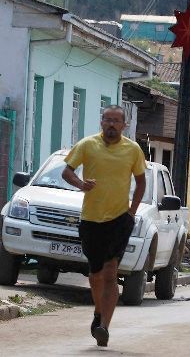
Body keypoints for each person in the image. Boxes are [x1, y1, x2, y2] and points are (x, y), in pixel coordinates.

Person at [62, 105, 147, 347]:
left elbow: (141, 182)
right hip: (91, 219)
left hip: (119, 219)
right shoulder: (87, 145)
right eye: (107, 120)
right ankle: (98, 312)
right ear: (101, 122)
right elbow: (66, 171)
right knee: (95, 274)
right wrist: (80, 184)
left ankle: (104, 327)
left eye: (116, 121)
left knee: (111, 273)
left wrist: (132, 212)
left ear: (124, 125)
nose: (111, 124)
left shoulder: (133, 150)